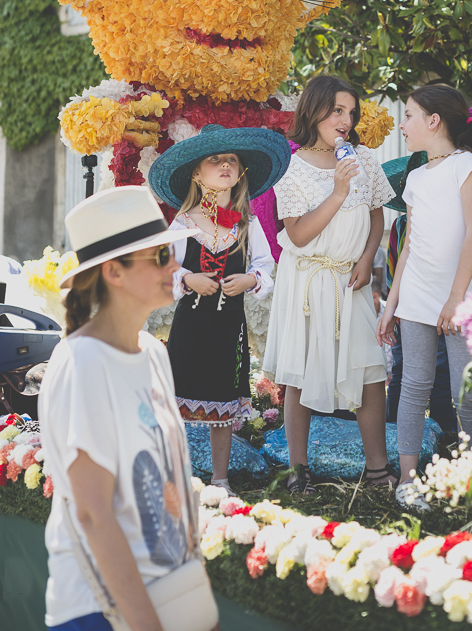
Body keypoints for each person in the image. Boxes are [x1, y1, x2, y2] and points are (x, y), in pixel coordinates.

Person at [39, 185, 219, 631]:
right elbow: (93, 514)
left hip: (172, 596)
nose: (176, 265)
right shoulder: (83, 362)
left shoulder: (153, 354)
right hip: (101, 610)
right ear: (114, 272)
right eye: (160, 256)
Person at [263, 74, 396, 493]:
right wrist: (338, 190)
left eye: (351, 112)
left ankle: (377, 470)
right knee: (299, 374)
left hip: (349, 279)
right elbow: (298, 235)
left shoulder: (366, 160)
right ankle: (296, 471)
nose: (346, 119)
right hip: (305, 281)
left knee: (370, 371)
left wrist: (367, 258)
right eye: (337, 110)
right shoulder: (292, 166)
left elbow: (377, 217)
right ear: (314, 111)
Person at [148, 125, 288, 497]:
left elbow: (265, 266)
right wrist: (188, 278)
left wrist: (249, 281)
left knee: (224, 402)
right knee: (179, 397)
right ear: (197, 172)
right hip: (191, 326)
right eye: (215, 160)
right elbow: (163, 270)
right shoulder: (183, 223)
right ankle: (171, 475)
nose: (225, 164)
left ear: (240, 173)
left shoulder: (248, 224)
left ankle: (220, 480)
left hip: (229, 328)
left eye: (232, 160)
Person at [378, 85, 472, 509]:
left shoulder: (467, 167)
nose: (402, 125)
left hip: (458, 294)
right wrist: (391, 306)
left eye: (408, 115)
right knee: (413, 384)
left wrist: (456, 298)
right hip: (416, 294)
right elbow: (409, 246)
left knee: (467, 391)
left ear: (433, 121)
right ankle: (408, 481)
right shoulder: (416, 176)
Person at [381, 155, 459, 436]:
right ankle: (442, 434)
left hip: (422, 306)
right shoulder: (402, 227)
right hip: (412, 308)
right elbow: (396, 265)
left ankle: (398, 432)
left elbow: (393, 271)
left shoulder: (406, 226)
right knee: (423, 377)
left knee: (409, 375)